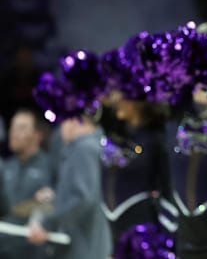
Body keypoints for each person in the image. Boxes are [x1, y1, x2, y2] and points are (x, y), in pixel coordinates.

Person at [27, 114, 112, 259]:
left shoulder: (83, 149)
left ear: (74, 121)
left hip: (84, 247)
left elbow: (81, 198)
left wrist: (47, 224)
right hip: (90, 243)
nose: (60, 130)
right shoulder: (95, 147)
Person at [100, 94, 170, 245]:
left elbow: (167, 186)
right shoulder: (113, 131)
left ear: (139, 103)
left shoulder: (155, 139)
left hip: (140, 224)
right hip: (108, 226)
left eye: (124, 96)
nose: (118, 101)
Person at [0, 108, 53, 259]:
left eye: (21, 128)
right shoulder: (5, 166)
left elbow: (54, 207)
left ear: (37, 135)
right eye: (12, 127)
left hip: (31, 251)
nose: (14, 133)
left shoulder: (50, 168)